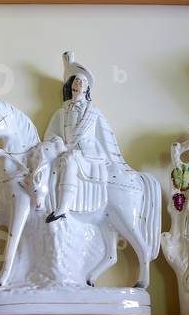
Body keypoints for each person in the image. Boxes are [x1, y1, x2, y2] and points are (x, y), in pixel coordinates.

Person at [40, 52, 133, 223]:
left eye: (83, 81)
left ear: (87, 88)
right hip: (66, 149)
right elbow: (51, 134)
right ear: (71, 84)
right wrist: (58, 141)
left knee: (69, 161)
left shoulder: (94, 112)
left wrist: (114, 160)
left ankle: (62, 208)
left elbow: (106, 137)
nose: (80, 83)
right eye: (77, 80)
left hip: (88, 153)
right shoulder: (61, 112)